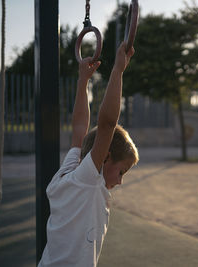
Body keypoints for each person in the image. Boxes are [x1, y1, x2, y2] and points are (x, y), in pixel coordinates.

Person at [38, 42, 139, 267]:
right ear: (104, 157)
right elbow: (107, 124)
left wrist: (83, 80)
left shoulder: (69, 171)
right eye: (122, 171)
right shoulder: (88, 180)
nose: (121, 181)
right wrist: (118, 70)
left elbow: (79, 129)